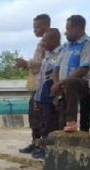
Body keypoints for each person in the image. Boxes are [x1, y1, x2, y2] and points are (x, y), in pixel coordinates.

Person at [51, 15, 90, 132]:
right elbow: (56, 67)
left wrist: (61, 83)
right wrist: (56, 83)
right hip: (63, 84)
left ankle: (72, 121)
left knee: (71, 82)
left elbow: (83, 69)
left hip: (81, 83)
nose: (66, 33)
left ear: (78, 28)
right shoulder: (66, 46)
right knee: (61, 113)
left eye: (68, 29)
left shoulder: (88, 44)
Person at [17, 14, 51, 154]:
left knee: (41, 116)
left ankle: (41, 144)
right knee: (33, 116)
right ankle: (35, 142)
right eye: (34, 27)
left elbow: (48, 63)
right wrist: (27, 65)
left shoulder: (49, 41)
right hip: (37, 84)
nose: (35, 30)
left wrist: (28, 63)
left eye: (37, 27)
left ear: (46, 25)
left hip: (44, 86)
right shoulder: (41, 42)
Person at [31, 28, 62, 160]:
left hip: (52, 95)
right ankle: (44, 149)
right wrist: (37, 100)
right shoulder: (47, 57)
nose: (43, 43)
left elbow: (55, 77)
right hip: (43, 96)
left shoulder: (61, 54)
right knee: (43, 124)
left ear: (54, 40)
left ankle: (50, 151)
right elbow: (41, 79)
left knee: (52, 124)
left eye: (45, 40)